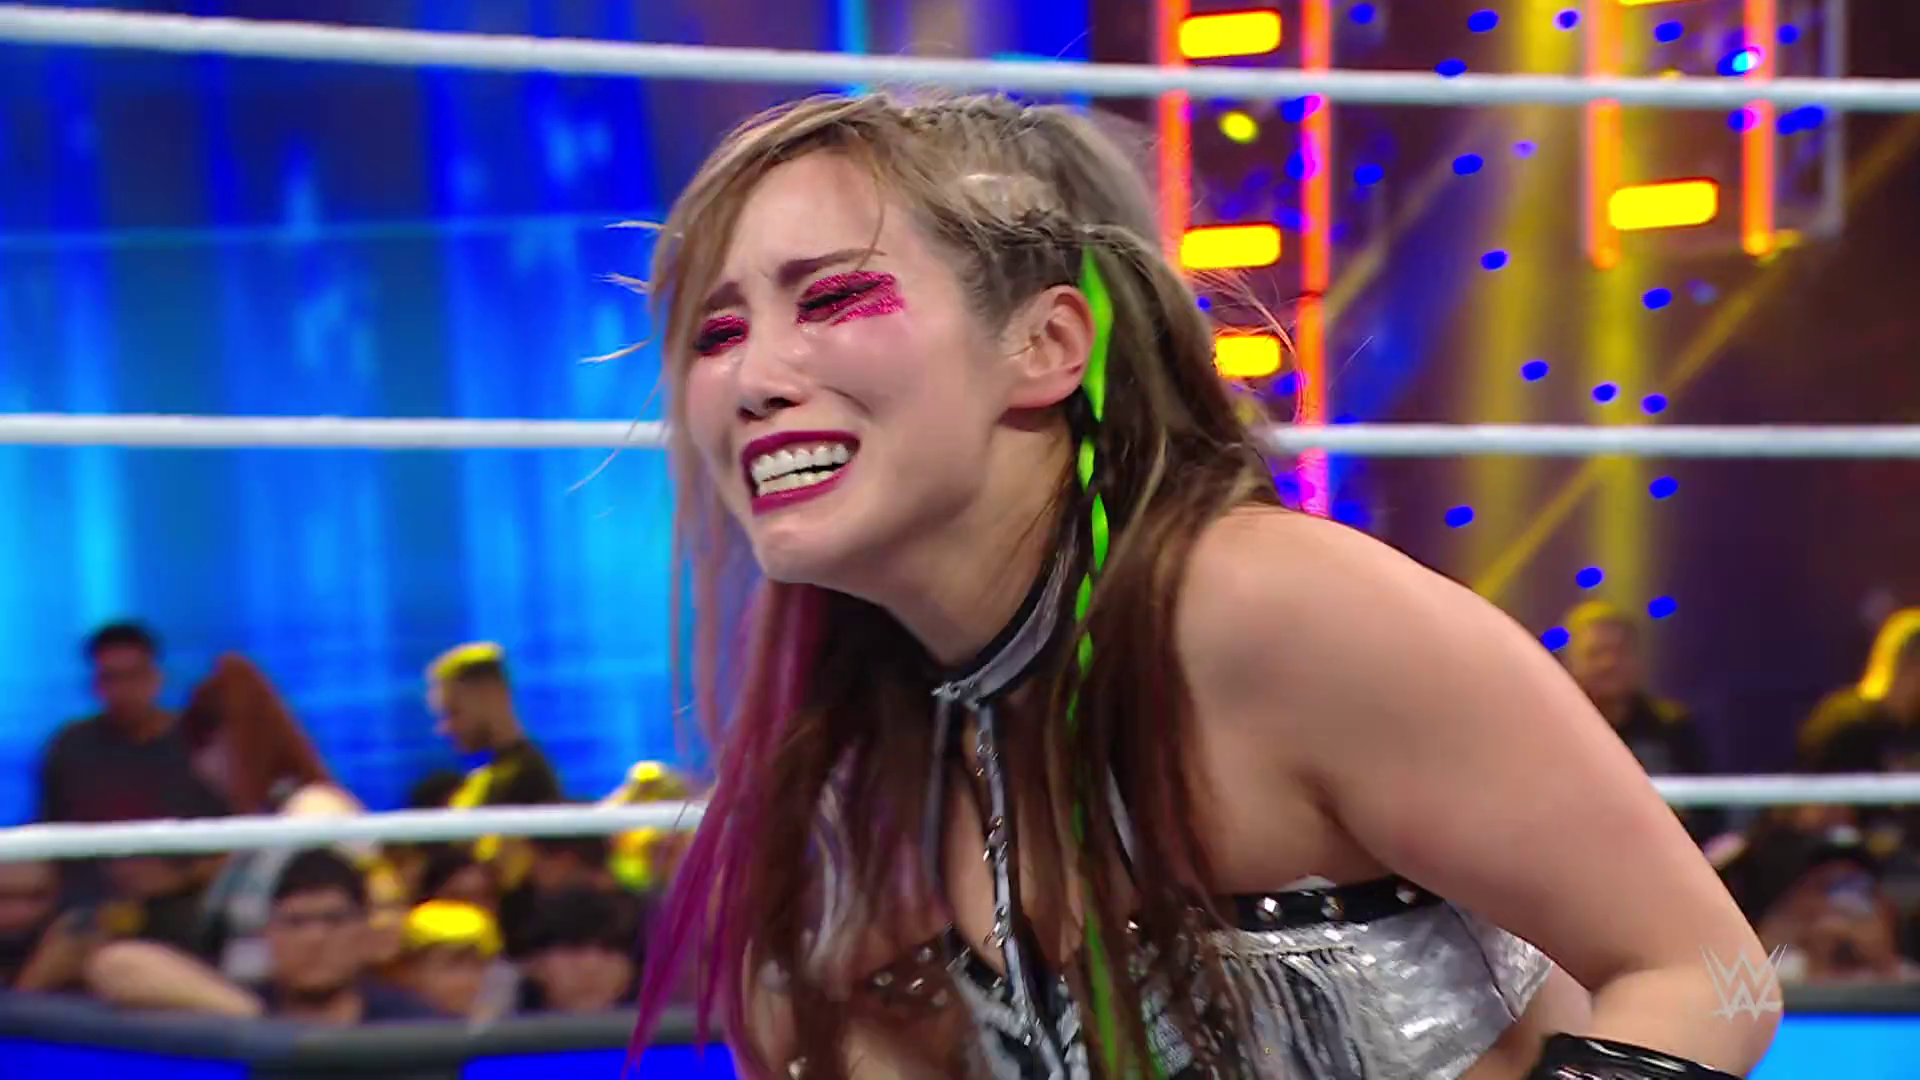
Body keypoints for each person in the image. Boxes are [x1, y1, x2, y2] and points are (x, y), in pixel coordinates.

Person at [628, 93, 1775, 1080]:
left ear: (1046, 346)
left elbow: (1712, 973)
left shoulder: (1272, 611)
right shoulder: (855, 782)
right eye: (716, 332)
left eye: (833, 300)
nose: (755, 377)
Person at [1562, 602, 1723, 842]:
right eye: (1596, 653)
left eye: (1619, 652)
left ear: (1639, 659)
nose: (1608, 663)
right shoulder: (1551, 731)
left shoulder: (1674, 728)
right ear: (1571, 662)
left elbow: (1708, 815)